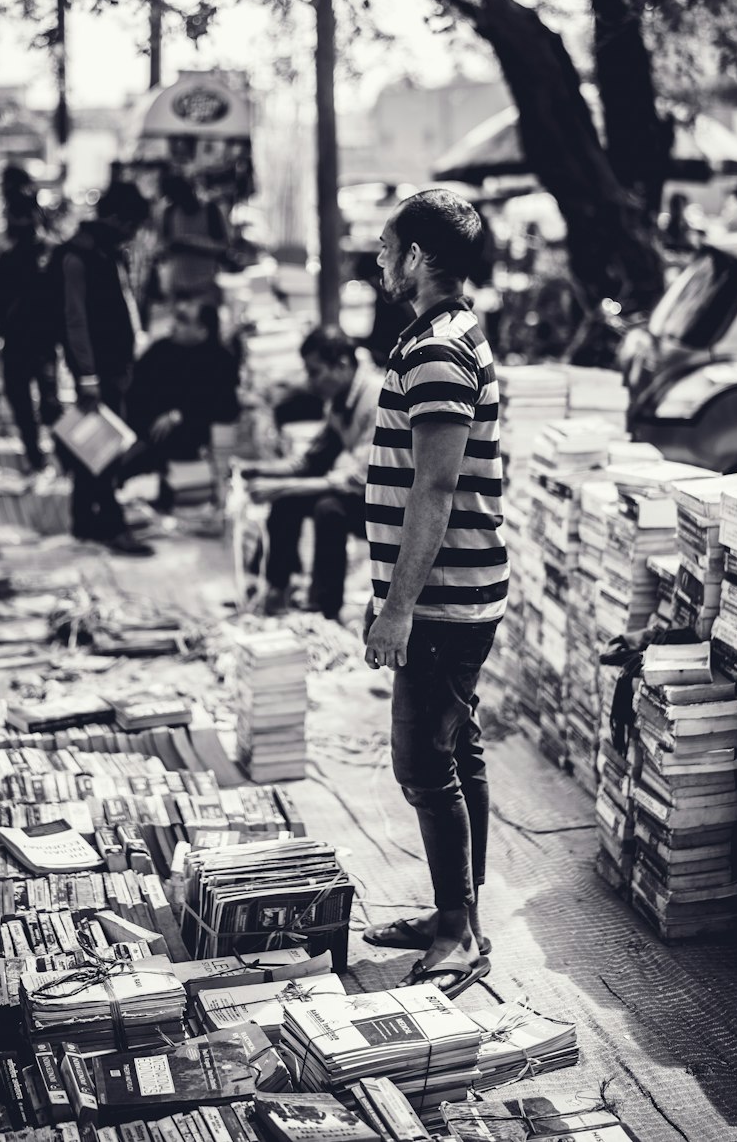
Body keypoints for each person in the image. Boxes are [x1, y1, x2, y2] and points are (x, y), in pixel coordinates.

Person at [361, 188, 508, 998]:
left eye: (387, 247)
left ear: (417, 257)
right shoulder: (438, 334)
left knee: (423, 763)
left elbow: (435, 489)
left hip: (447, 601)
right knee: (459, 750)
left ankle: (458, 930)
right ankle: (461, 912)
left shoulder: (439, 353)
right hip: (450, 593)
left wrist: (399, 606)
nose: (380, 259)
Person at [244, 325, 383, 621]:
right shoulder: (338, 401)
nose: (311, 382)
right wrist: (259, 471)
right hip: (362, 492)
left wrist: (282, 486)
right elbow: (312, 461)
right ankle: (277, 588)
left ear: (342, 365)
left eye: (315, 372)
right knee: (287, 501)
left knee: (328, 508)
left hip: (389, 505)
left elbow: (355, 482)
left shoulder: (375, 400)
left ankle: (324, 608)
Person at [55, 179, 153, 555]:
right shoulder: (77, 256)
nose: (132, 235)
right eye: (130, 226)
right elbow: (73, 320)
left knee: (93, 448)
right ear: (114, 218)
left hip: (114, 366)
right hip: (97, 372)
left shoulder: (108, 252)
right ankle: (112, 526)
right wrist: (88, 376)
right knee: (104, 451)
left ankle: (85, 521)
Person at [123, 296, 241, 512]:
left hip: (191, 439)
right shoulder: (160, 351)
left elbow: (225, 406)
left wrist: (179, 415)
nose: (173, 326)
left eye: (184, 321)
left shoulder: (220, 360)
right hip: (145, 432)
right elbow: (134, 393)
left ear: (202, 330)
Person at [0, 197, 60, 472]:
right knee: (21, 405)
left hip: (43, 342)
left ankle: (62, 458)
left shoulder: (52, 253)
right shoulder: (7, 258)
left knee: (50, 405)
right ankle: (37, 458)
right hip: (17, 343)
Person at [159, 173, 230, 303]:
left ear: (191, 190)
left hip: (205, 287)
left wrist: (191, 244)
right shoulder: (170, 213)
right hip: (179, 288)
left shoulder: (210, 211)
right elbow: (164, 248)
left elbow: (223, 247)